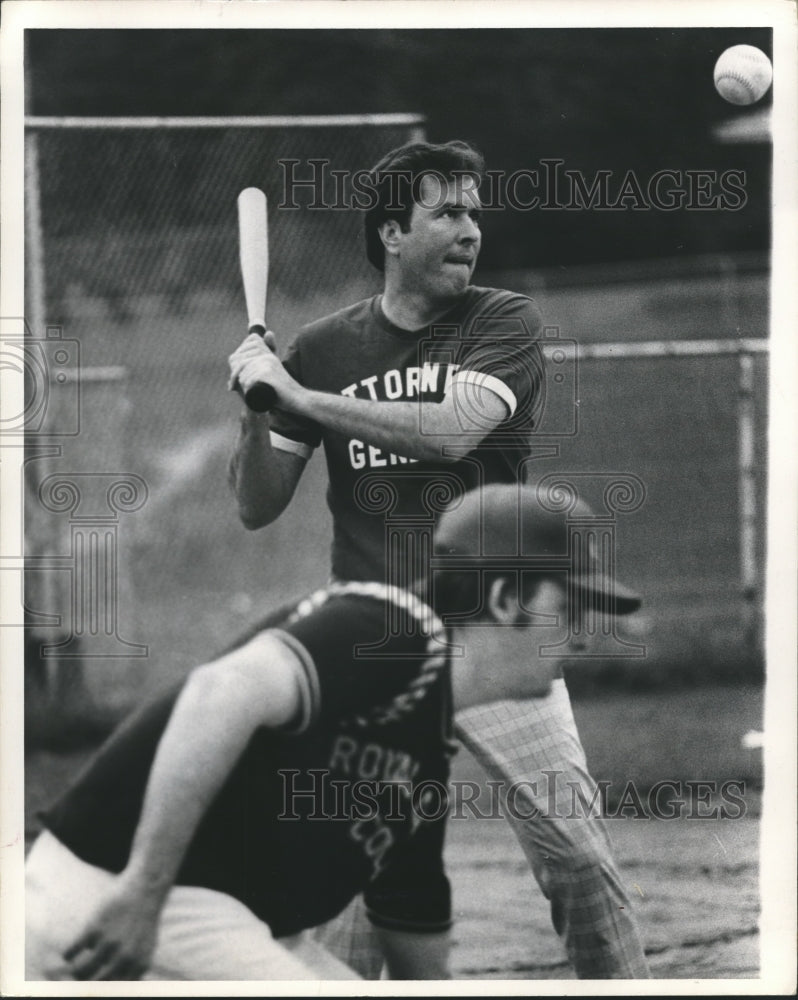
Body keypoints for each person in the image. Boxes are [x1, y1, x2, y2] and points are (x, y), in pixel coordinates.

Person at [226, 139, 651, 979]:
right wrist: (254, 400)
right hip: (373, 646)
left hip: (494, 638)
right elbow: (255, 504)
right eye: (447, 212)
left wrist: (298, 395)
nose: (471, 229)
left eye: (474, 212)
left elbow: (454, 428)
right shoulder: (321, 347)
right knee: (347, 902)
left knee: (576, 863)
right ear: (392, 233)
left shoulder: (502, 322)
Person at [25, 485, 642, 981]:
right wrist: (142, 891)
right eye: (570, 609)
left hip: (201, 912)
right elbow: (222, 690)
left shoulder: (424, 745)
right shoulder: (386, 631)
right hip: (119, 893)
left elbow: (415, 932)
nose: (584, 636)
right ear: (506, 599)